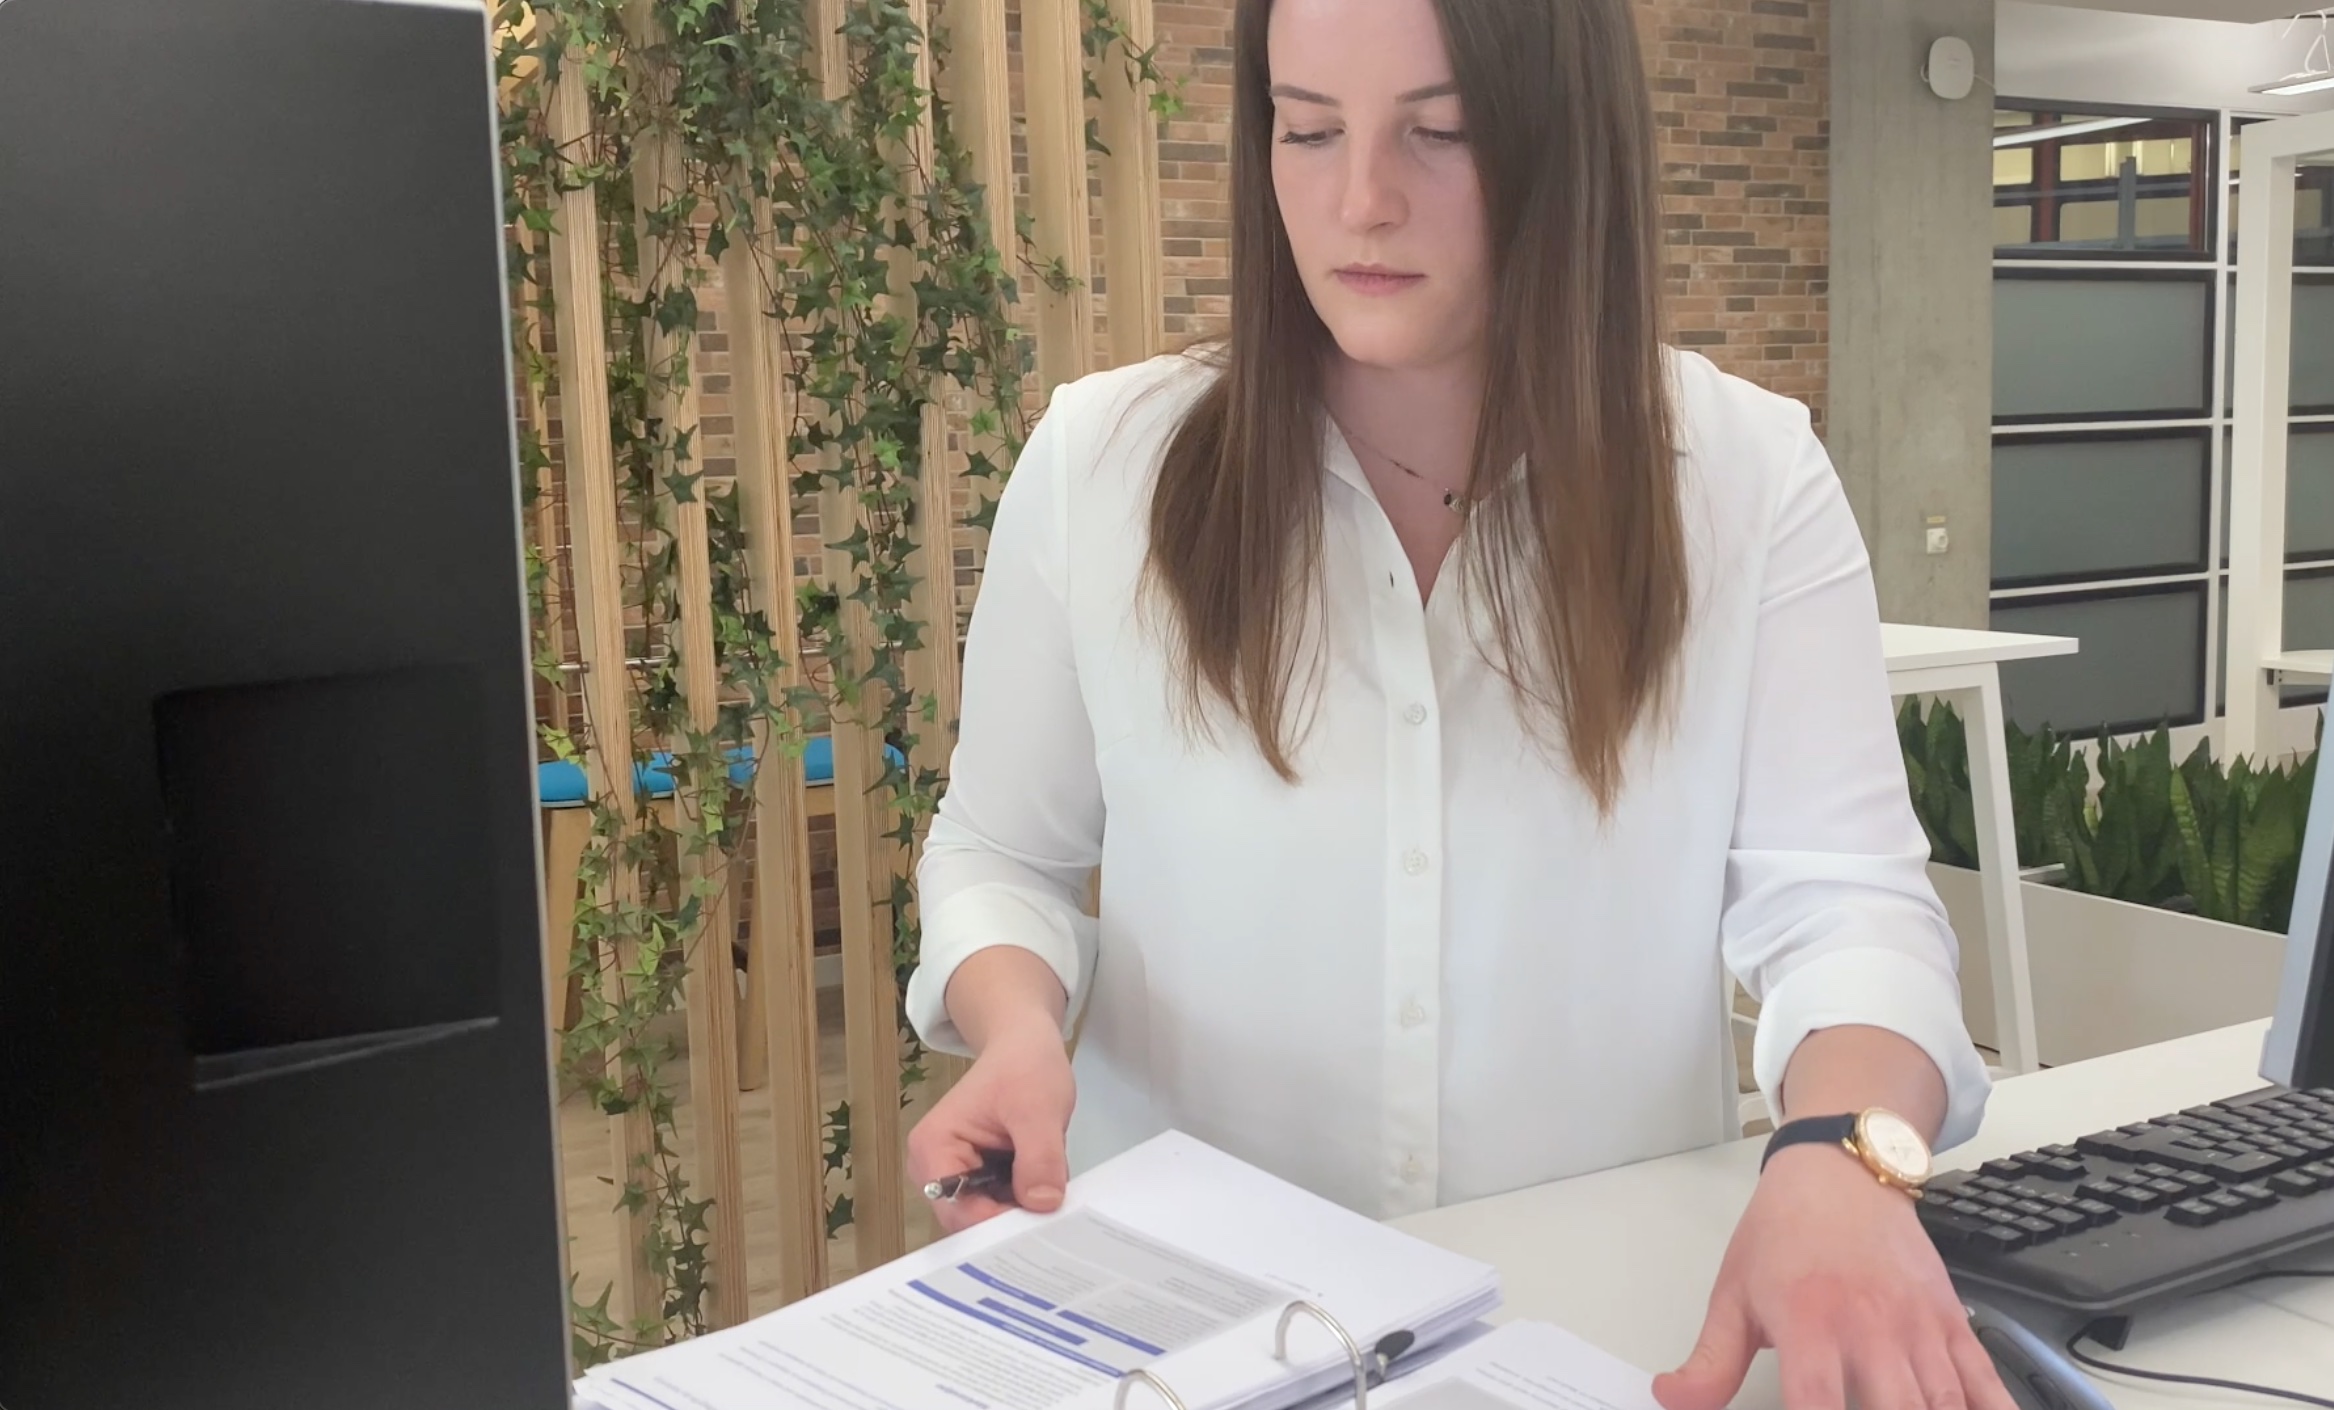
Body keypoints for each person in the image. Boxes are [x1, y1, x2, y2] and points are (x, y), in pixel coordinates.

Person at [902, 0, 2012, 1405]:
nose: (1360, 200)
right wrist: (1016, 1028)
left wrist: (1844, 1159)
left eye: (1441, 133)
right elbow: (1002, 854)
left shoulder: (1743, 476)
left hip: (1600, 1335)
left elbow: (1847, 905)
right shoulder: (1100, 465)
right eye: (1308, 130)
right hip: (1184, 1336)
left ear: (1564, 145)